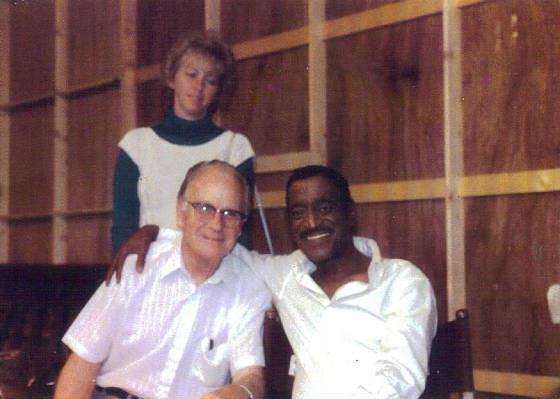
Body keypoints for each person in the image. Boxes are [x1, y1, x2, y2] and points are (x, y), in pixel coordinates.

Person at [110, 165, 438, 399]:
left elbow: (402, 378)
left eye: (324, 208)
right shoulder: (285, 275)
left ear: (350, 212)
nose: (311, 222)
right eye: (298, 212)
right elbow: (216, 240)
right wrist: (155, 233)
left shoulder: (402, 281)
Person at [55, 161, 270, 399]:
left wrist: (237, 393)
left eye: (230, 213)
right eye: (204, 208)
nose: (217, 224)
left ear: (241, 227)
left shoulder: (248, 287)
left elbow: (250, 377)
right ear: (180, 213)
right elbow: (82, 365)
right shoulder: (138, 265)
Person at [111, 30, 255, 255]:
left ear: (219, 90)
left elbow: (241, 235)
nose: (199, 86)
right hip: (150, 272)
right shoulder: (136, 145)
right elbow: (123, 232)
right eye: (191, 74)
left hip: (214, 272)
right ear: (171, 78)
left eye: (210, 81)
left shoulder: (236, 148)